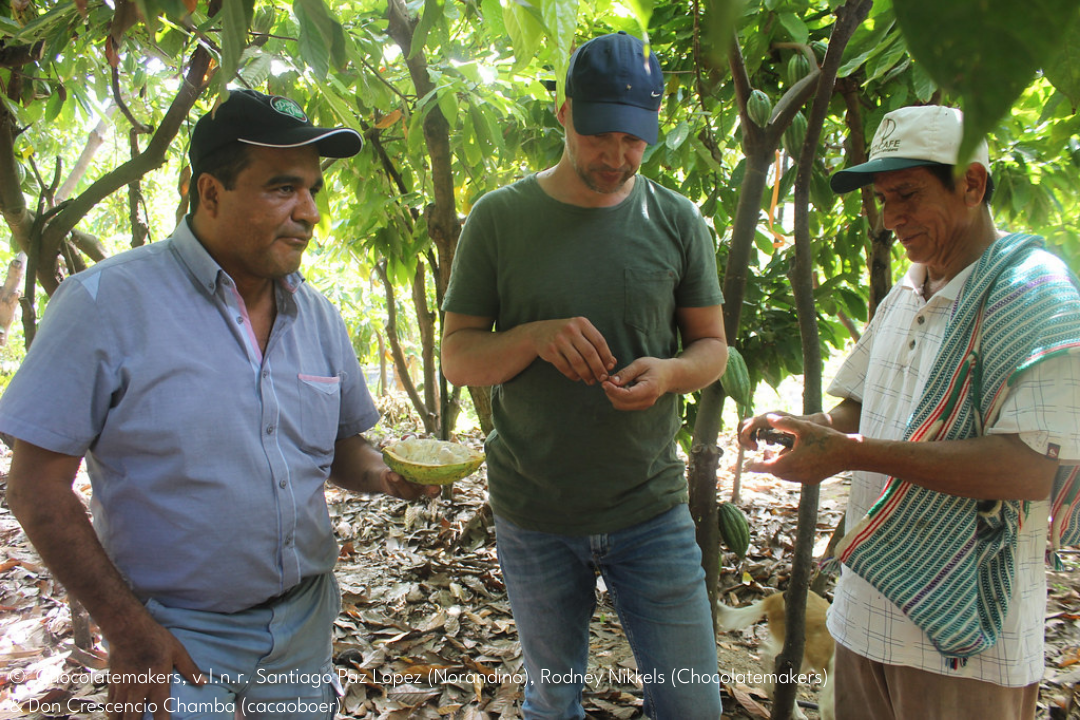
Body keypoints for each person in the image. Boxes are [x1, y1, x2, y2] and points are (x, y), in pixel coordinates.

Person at [0, 88, 438, 720]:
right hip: (172, 637)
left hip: (303, 629)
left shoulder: (316, 316)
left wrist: (385, 477)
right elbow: (34, 489)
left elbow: (345, 447)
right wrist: (126, 630)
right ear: (208, 192)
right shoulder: (105, 304)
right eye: (283, 188)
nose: (309, 212)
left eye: (313, 190)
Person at [738, 104, 1080, 720]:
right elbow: (860, 407)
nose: (890, 217)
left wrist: (853, 454)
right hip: (865, 613)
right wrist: (805, 428)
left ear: (971, 184)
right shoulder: (911, 287)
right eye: (881, 198)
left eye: (908, 195)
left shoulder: (1033, 295)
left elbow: (1034, 471)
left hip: (966, 644)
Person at [441, 31, 727, 720]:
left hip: (649, 508)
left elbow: (712, 346)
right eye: (601, 135)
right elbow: (459, 356)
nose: (618, 157)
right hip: (534, 512)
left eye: (635, 141)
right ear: (564, 114)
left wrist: (669, 375)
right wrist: (535, 338)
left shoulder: (677, 220)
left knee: (691, 704)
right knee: (552, 698)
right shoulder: (500, 218)